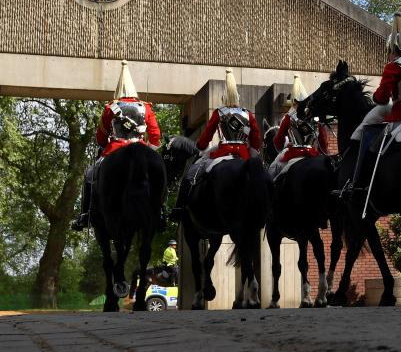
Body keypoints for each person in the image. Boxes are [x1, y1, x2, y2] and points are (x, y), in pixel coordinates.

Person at [345, 13, 401, 195]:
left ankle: (360, 183)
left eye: (388, 52)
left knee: (373, 146)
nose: (388, 55)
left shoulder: (393, 66)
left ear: (392, 50)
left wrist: (377, 97)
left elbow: (382, 97)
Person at [72, 60, 161, 230]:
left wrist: (103, 144)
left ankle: (85, 214)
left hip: (114, 150)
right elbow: (156, 135)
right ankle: (160, 212)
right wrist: (149, 151)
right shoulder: (146, 108)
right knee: (157, 175)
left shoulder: (111, 107)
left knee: (90, 175)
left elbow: (101, 135)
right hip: (141, 149)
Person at [169, 68, 261, 221]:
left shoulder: (219, 112)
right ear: (238, 97)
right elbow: (256, 137)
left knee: (192, 173)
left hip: (222, 151)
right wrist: (253, 150)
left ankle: (180, 209)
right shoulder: (248, 114)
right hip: (244, 154)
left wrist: (201, 145)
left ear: (223, 97)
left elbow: (207, 134)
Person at [268, 74, 328, 179]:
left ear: (294, 102)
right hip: (312, 153)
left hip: (293, 153)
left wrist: (283, 148)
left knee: (273, 171)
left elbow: (278, 141)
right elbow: (323, 142)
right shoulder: (316, 117)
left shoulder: (289, 117)